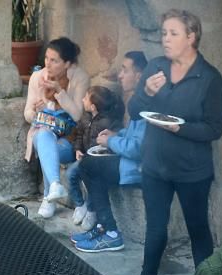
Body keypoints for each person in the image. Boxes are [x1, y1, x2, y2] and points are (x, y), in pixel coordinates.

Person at [122, 9, 222, 275]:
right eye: (164, 33)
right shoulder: (156, 66)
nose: (165, 39)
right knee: (156, 225)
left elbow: (214, 129)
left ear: (191, 37)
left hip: (192, 170)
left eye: (173, 33)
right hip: (155, 165)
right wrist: (146, 92)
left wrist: (180, 129)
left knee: (197, 227)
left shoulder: (209, 78)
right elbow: (134, 112)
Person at [71, 51, 148, 253]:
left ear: (139, 76)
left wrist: (111, 141)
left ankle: (111, 232)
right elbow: (134, 136)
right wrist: (117, 134)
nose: (119, 75)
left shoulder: (145, 104)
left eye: (125, 70)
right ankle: (102, 226)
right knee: (90, 164)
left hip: (139, 169)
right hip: (129, 163)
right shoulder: (140, 99)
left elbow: (138, 149)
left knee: (88, 165)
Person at [23, 37, 90, 219]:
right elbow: (27, 114)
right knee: (43, 135)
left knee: (48, 151)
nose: (48, 64)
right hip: (43, 133)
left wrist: (60, 92)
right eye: (46, 58)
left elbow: (77, 115)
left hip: (69, 140)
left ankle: (48, 196)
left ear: (67, 63)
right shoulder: (38, 77)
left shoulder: (80, 78)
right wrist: (37, 112)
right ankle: (54, 185)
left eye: (54, 60)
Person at [68, 86, 124, 229]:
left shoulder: (109, 122)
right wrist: (77, 150)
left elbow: (116, 139)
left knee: (93, 181)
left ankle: (92, 210)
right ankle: (80, 205)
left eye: (85, 97)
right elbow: (79, 135)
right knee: (71, 174)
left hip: (97, 161)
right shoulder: (85, 117)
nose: (82, 99)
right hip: (84, 158)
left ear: (93, 106)